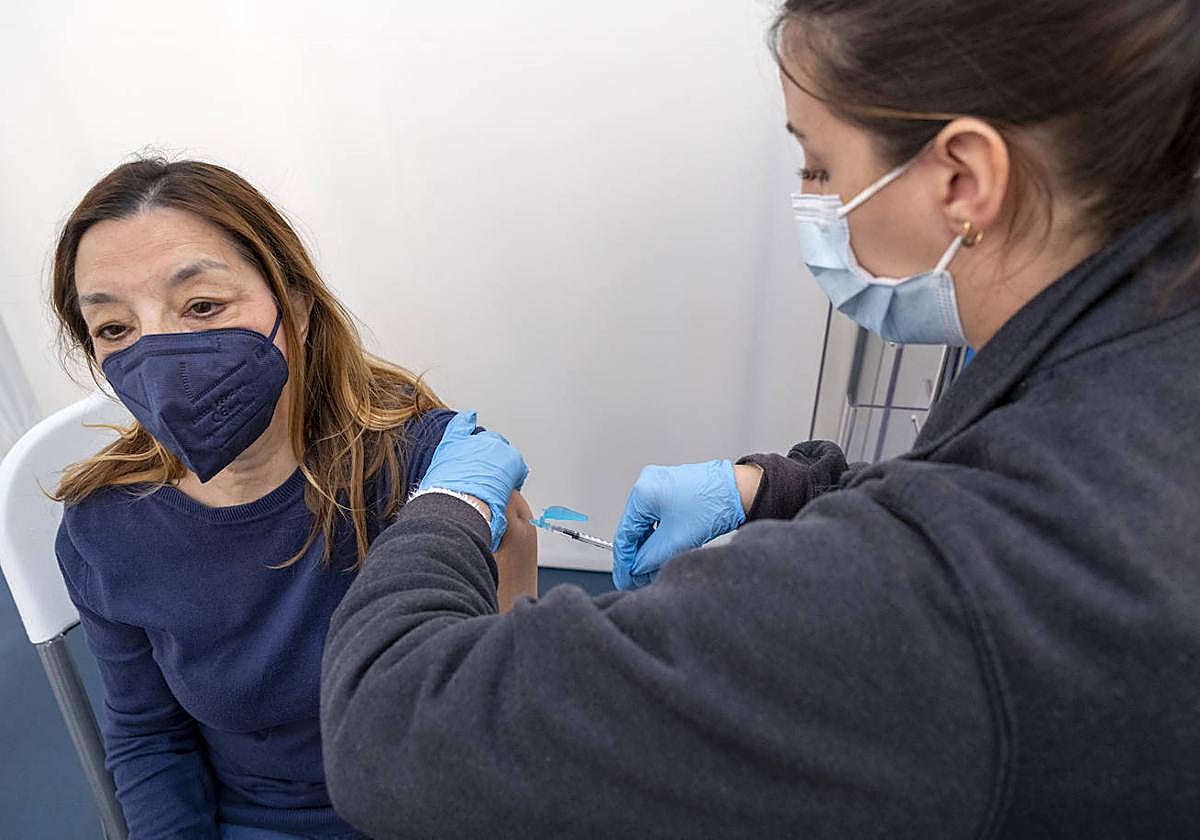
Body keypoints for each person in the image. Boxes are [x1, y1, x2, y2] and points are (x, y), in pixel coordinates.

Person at [320, 1, 1200, 837]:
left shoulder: (966, 591)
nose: (811, 200)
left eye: (820, 166)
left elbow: (391, 727)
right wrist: (777, 487)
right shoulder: (1150, 353)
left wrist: (448, 505)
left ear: (963, 179)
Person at [50, 158, 537, 839]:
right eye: (114, 328)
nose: (159, 358)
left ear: (297, 306)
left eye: (202, 306)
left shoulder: (428, 474)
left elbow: (509, 720)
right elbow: (149, 738)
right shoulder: (105, 531)